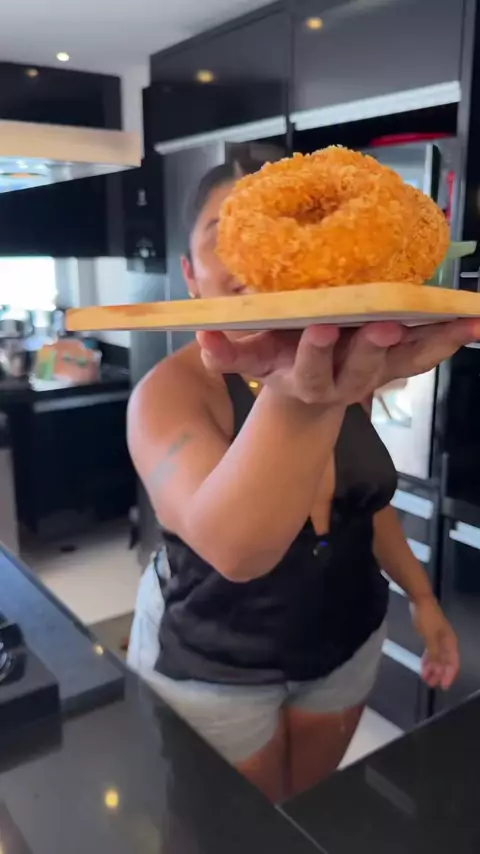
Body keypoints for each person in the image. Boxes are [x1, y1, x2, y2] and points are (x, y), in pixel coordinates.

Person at [127, 157, 474, 803]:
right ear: (190, 273)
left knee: (308, 809)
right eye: (223, 233)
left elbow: (363, 503)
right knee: (229, 834)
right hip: (216, 666)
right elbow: (234, 547)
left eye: (297, 227)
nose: (257, 252)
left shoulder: (343, 370)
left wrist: (424, 598)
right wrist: (303, 396)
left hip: (345, 645)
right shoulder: (167, 393)